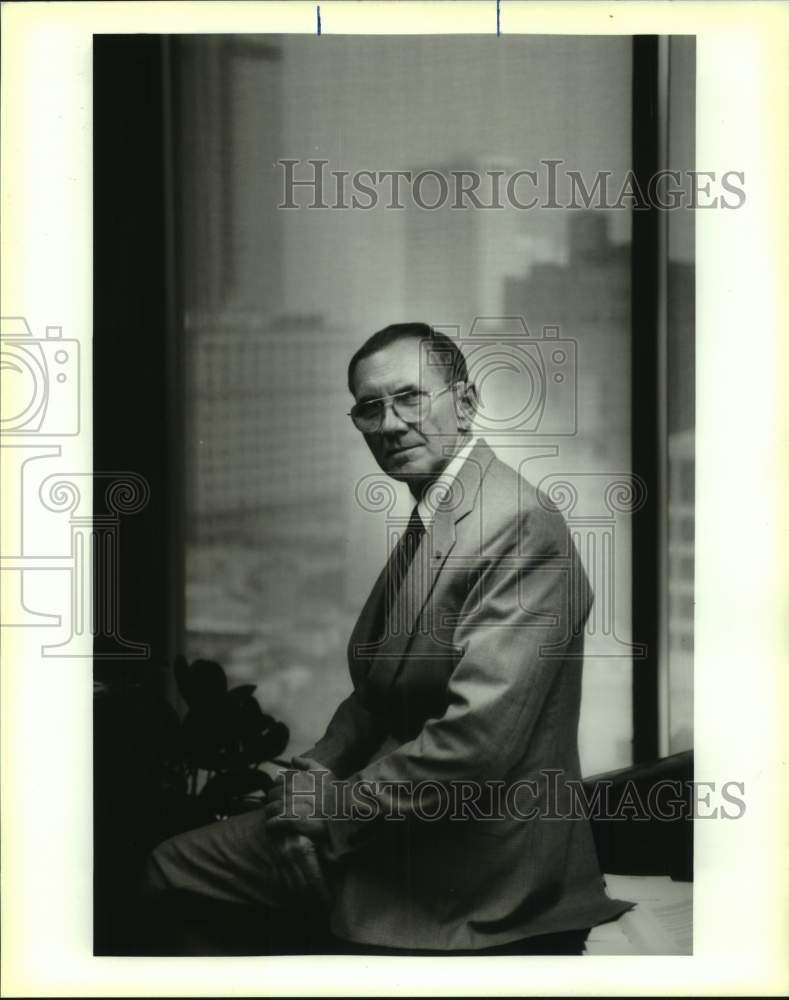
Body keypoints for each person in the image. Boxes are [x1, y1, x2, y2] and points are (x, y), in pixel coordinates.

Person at [141, 322, 631, 955]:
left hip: (478, 865)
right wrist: (312, 775)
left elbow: (475, 746)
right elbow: (373, 694)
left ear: (466, 401)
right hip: (401, 821)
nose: (391, 424)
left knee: (168, 872)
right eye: (370, 409)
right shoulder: (440, 510)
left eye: (409, 398)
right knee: (176, 869)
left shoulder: (516, 522)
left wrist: (323, 814)